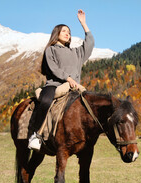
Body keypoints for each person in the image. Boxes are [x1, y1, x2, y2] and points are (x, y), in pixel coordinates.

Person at [28, 9, 95, 150]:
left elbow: (90, 44)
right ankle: (36, 135)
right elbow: (54, 68)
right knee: (45, 101)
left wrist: (84, 24)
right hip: (54, 85)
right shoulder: (51, 50)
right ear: (56, 34)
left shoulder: (76, 52)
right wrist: (68, 78)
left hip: (74, 88)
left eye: (69, 32)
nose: (67, 33)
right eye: (64, 31)